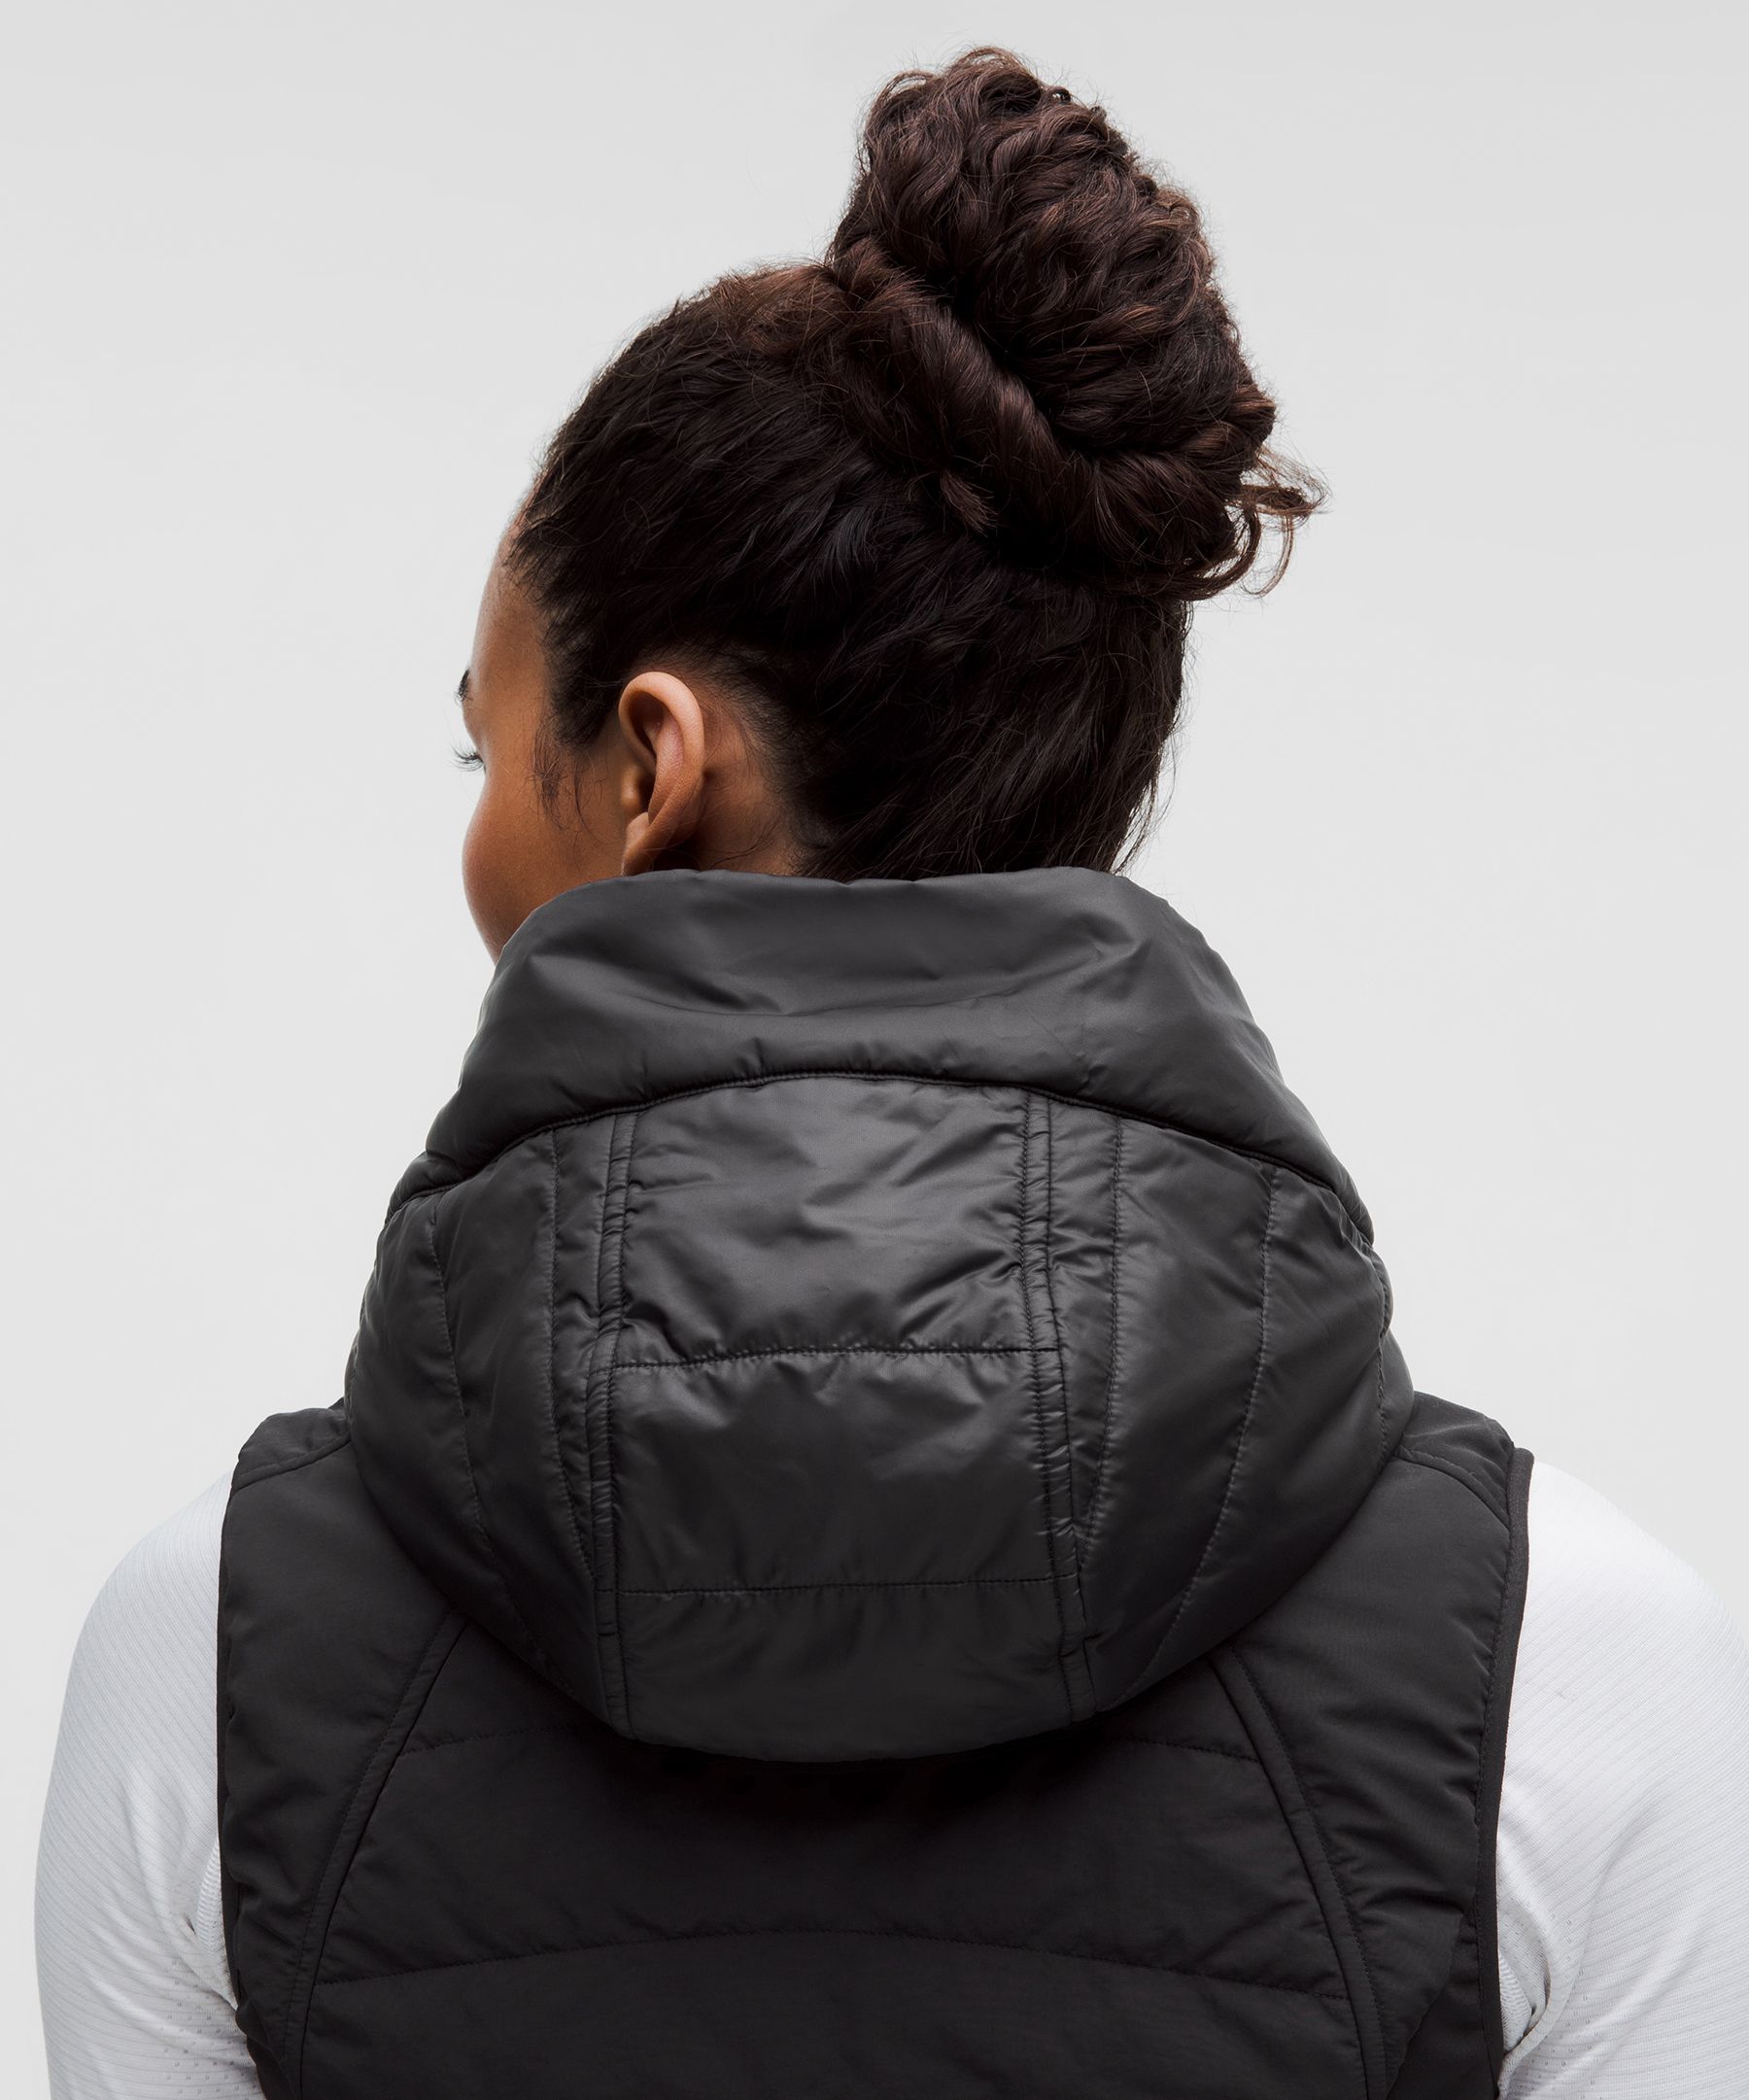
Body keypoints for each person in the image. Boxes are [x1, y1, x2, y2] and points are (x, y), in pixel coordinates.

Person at [36, 47, 1749, 2100]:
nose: (474, 823)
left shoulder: (212, 1664)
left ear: (650, 764)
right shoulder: (1575, 1668)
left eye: (482, 742)